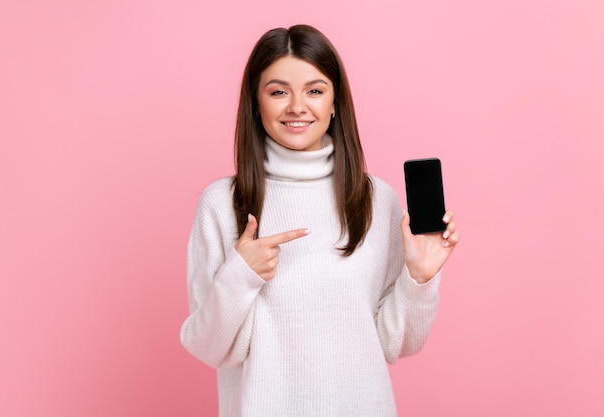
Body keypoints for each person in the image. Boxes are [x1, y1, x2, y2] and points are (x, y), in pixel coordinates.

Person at [180, 24, 460, 417]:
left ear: (334, 102)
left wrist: (418, 280)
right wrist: (241, 274)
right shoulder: (222, 205)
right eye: (278, 91)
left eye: (314, 90)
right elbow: (211, 348)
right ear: (255, 102)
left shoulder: (375, 200)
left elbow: (395, 343)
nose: (297, 106)